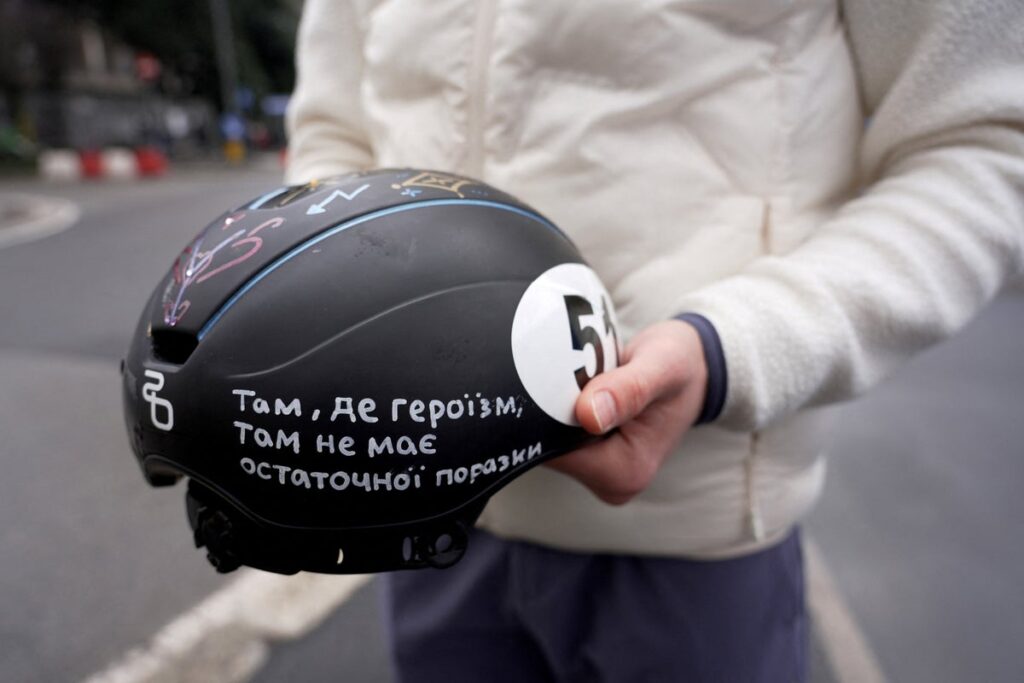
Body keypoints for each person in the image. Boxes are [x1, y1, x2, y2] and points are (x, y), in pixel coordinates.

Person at [285, 1, 1024, 680]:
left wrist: (734, 346)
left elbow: (986, 143)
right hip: (421, 517)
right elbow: (335, 127)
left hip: (690, 552)